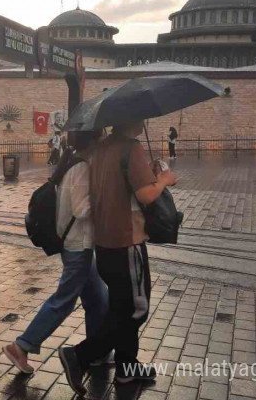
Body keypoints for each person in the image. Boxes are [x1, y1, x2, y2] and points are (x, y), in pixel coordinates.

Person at [58, 120, 178, 395]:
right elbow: (146, 195)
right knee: (137, 309)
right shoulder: (131, 148)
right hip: (127, 241)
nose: (143, 122)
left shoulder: (100, 149)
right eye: (142, 118)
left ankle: (127, 370)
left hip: (105, 242)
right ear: (133, 118)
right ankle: (80, 355)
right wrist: (164, 179)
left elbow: (119, 187)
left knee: (121, 307)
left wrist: (150, 174)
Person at [3, 130, 108, 375]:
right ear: (92, 140)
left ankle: (97, 351)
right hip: (77, 245)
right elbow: (82, 209)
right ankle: (22, 345)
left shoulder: (72, 162)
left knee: (97, 298)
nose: (103, 140)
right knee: (64, 300)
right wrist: (105, 197)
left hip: (77, 244)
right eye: (101, 136)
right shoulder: (81, 167)